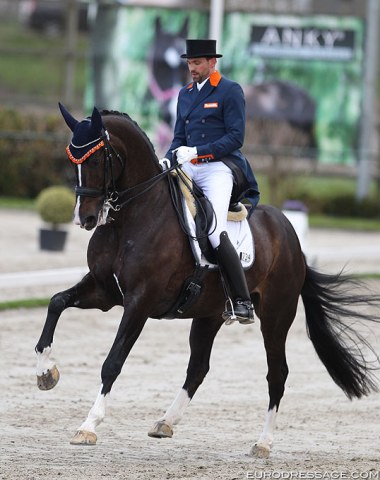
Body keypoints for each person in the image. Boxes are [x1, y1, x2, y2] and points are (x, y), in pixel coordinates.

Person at [159, 39, 260, 324]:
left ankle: (241, 300)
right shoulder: (185, 93)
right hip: (189, 165)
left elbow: (235, 138)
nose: (192, 68)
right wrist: (169, 158)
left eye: (197, 63)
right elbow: (178, 137)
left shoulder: (229, 91)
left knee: (215, 231)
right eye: (189, 63)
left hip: (218, 168)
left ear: (212, 62)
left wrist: (199, 151)